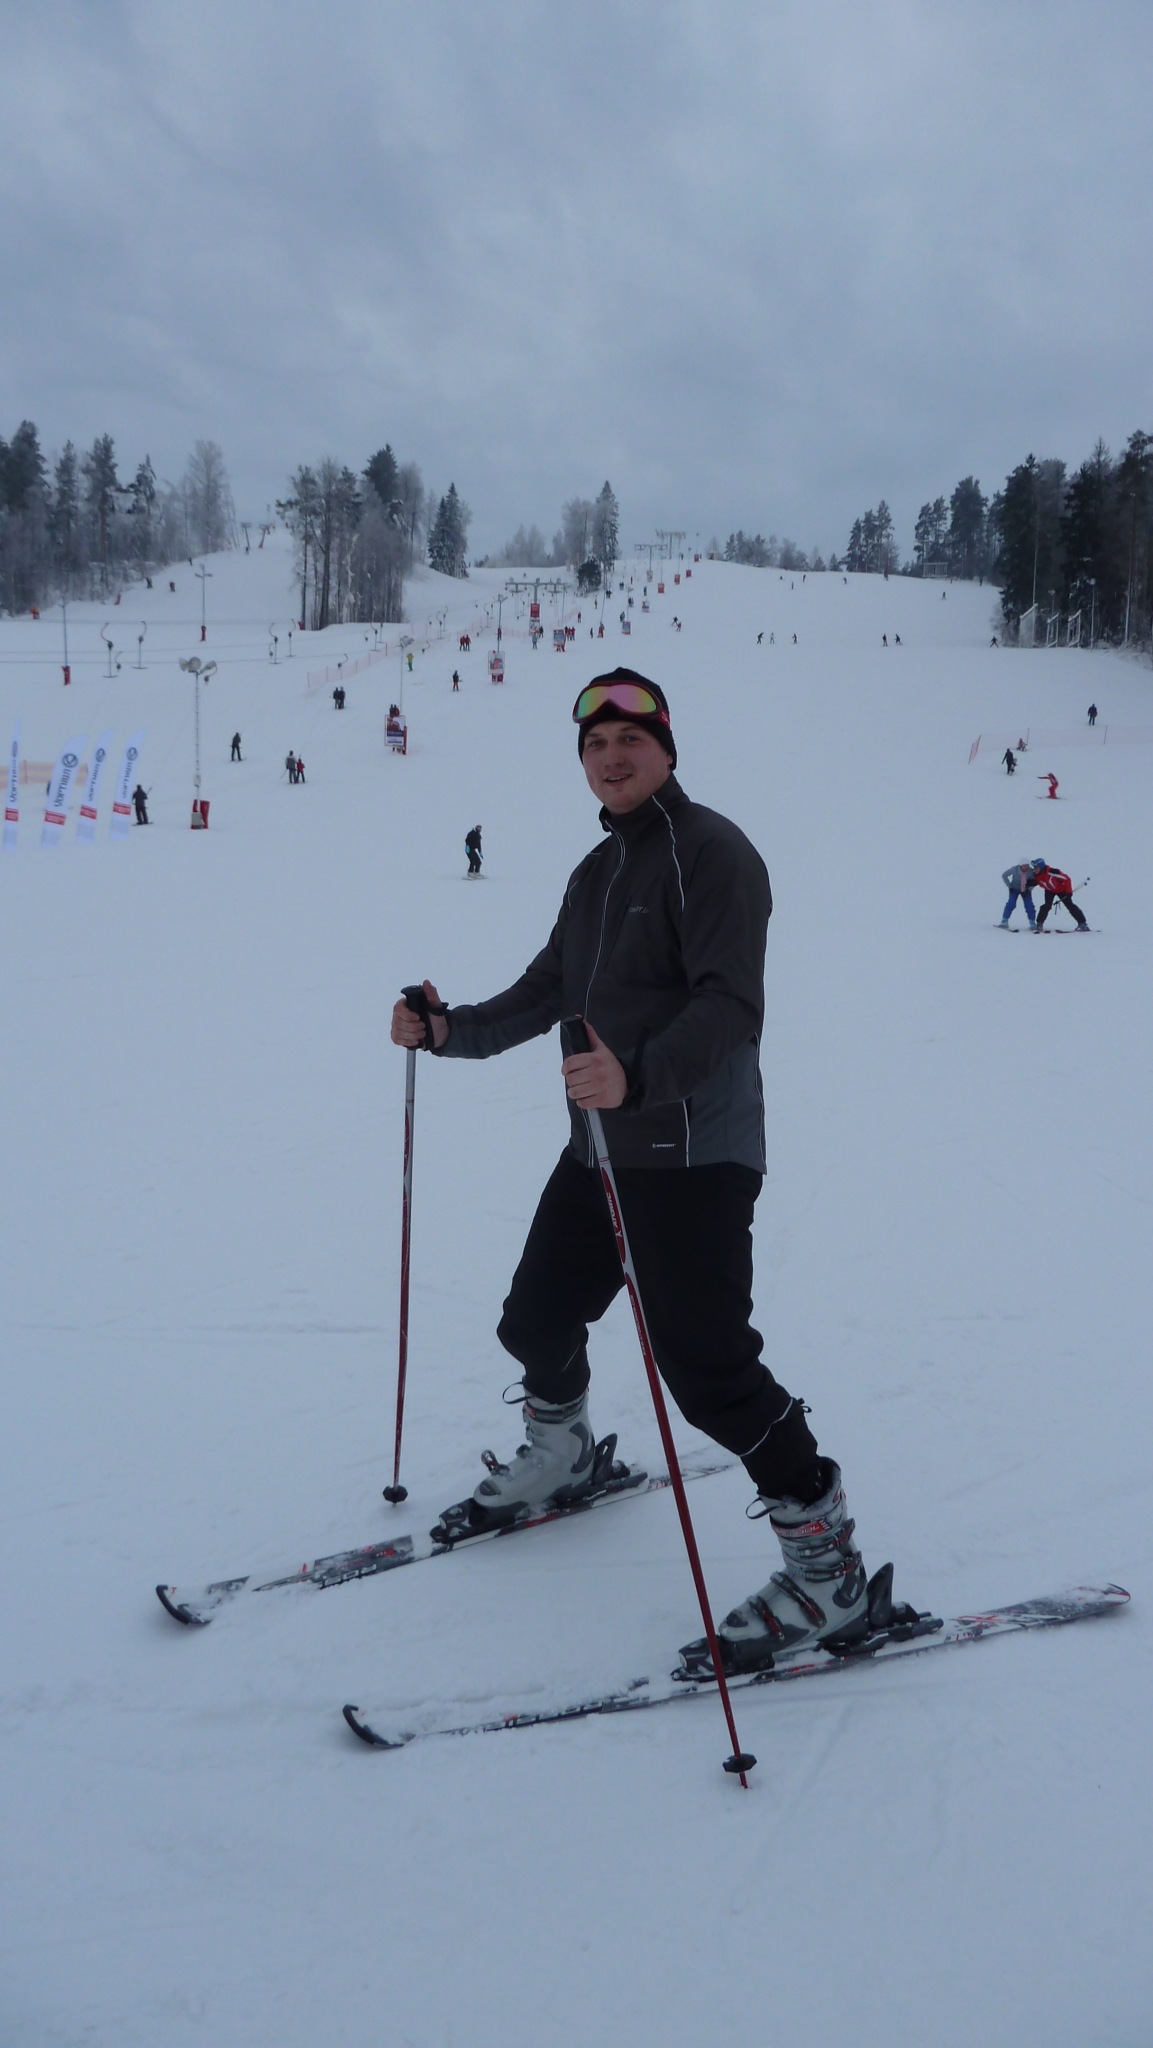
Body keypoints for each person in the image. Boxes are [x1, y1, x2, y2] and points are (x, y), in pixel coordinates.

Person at [390, 667, 873, 1674]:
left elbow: (730, 1004)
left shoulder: (714, 853)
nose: (611, 757)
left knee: (707, 1369)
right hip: (601, 1150)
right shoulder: (596, 872)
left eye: (630, 740)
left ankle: (827, 1568)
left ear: (665, 749)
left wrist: (638, 1074)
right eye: (594, 744)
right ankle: (563, 1454)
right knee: (534, 1320)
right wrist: (446, 1030)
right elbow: (544, 992)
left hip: (693, 1155)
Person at [1033, 863, 1089, 931]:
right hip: (1049, 890)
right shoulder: (1035, 875)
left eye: (1036, 868)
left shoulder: (1053, 872)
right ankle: (1039, 924)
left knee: (1070, 905)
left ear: (1041, 867)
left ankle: (1082, 924)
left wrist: (1068, 892)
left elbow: (1067, 879)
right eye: (1034, 868)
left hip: (1062, 890)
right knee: (1047, 906)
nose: (1034, 869)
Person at [1000, 858, 1042, 927]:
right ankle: (1004, 921)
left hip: (1026, 890)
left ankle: (1032, 922)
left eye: (1027, 865)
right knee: (1011, 904)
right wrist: (1010, 887)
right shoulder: (1014, 869)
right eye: (1024, 866)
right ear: (1020, 866)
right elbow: (1004, 875)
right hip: (1014, 889)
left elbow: (1034, 882)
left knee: (1029, 906)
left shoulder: (1031, 871)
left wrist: (1029, 890)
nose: (1026, 867)